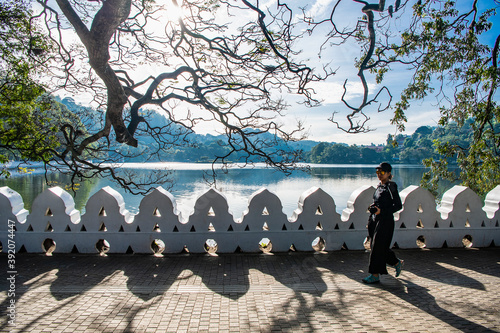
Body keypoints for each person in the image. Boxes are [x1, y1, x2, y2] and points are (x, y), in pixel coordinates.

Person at [362, 162, 404, 284]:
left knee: (376, 248)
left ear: (389, 173)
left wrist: (382, 211)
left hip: (385, 221)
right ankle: (396, 262)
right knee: (380, 247)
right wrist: (374, 208)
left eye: (382, 172)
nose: (379, 174)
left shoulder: (391, 186)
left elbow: (398, 205)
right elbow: (379, 201)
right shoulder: (379, 186)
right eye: (377, 172)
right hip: (375, 219)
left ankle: (374, 275)